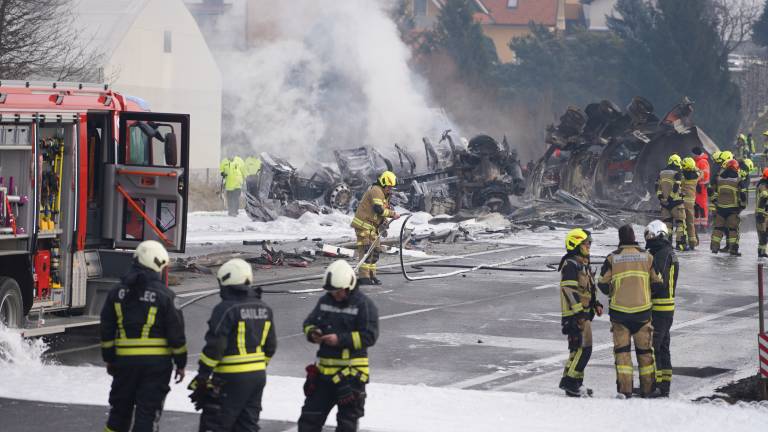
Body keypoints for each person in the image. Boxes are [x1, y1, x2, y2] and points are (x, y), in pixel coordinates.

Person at [100, 240, 187, 432]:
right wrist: (180, 363)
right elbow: (176, 334)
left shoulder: (116, 293)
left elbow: (107, 328)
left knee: (118, 415)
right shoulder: (166, 296)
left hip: (124, 364)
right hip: (156, 367)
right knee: (147, 416)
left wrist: (110, 359)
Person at [189, 258, 276, 432]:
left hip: (230, 377)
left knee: (215, 424)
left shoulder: (225, 309)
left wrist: (203, 376)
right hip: (258, 376)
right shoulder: (264, 308)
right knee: (247, 426)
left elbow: (215, 348)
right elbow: (271, 346)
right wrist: (257, 367)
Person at [298, 260, 379, 432]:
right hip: (324, 376)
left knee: (346, 425)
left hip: (351, 378)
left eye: (338, 291)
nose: (335, 295)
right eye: (332, 291)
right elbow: (308, 323)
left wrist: (339, 340)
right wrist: (313, 332)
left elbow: (369, 336)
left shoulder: (364, 305)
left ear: (349, 286)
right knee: (308, 421)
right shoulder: (325, 301)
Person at [598, 225, 663, 398]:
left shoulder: (612, 258)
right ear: (634, 237)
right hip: (642, 313)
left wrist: (615, 292)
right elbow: (658, 283)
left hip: (619, 314)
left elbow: (602, 284)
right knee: (645, 353)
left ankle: (624, 391)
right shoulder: (647, 257)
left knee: (622, 354)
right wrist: (645, 293)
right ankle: (648, 389)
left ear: (620, 239)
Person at [558, 228, 602, 397]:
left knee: (577, 350)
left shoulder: (582, 263)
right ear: (576, 244)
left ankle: (575, 383)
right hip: (576, 315)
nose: (589, 246)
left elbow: (588, 288)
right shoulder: (571, 264)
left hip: (583, 313)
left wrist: (596, 303)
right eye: (586, 243)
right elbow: (569, 291)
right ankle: (570, 382)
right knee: (584, 349)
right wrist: (579, 314)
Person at [644, 221, 679, 397]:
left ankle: (655, 385)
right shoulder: (667, 252)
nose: (648, 240)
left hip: (659, 307)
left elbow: (658, 281)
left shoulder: (662, 254)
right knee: (664, 347)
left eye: (650, 235)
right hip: (666, 308)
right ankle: (665, 385)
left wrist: (643, 293)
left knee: (654, 347)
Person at [350, 171, 400, 285]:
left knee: (375, 252)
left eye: (391, 188)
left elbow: (381, 213)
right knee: (366, 251)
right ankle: (364, 277)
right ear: (383, 183)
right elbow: (378, 209)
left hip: (373, 228)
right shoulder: (376, 190)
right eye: (389, 187)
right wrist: (392, 214)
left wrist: (384, 222)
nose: (390, 190)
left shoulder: (384, 194)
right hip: (364, 226)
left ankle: (372, 276)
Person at [710, 159, 748, 256]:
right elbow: (743, 194)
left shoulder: (719, 178)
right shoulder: (738, 179)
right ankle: (733, 250)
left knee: (718, 228)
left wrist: (714, 200)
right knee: (733, 230)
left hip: (720, 209)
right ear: (736, 168)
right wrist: (742, 205)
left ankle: (714, 248)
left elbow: (710, 190)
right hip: (733, 209)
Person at [656, 154, 687, 250]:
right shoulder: (678, 172)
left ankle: (667, 244)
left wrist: (661, 198)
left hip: (664, 204)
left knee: (667, 224)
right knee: (680, 223)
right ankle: (680, 244)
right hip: (676, 203)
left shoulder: (661, 173)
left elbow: (657, 187)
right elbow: (676, 187)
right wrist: (670, 198)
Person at [680, 157, 700, 250]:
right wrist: (694, 167)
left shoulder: (682, 178)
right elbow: (701, 172)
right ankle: (692, 242)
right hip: (691, 203)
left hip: (682, 202)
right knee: (691, 223)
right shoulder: (696, 177)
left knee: (682, 223)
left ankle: (682, 242)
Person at [692, 147, 710, 231]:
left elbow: (705, 174)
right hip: (697, 187)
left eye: (693, 153)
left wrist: (699, 184)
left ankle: (703, 227)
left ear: (696, 154)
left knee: (702, 207)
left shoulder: (702, 162)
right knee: (696, 206)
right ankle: (696, 226)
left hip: (701, 188)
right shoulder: (697, 161)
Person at [757, 169, 768, 258]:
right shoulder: (763, 186)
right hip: (762, 215)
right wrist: (760, 215)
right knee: (763, 235)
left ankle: (762, 253)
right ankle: (761, 254)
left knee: (765, 235)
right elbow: (764, 198)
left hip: (764, 214)